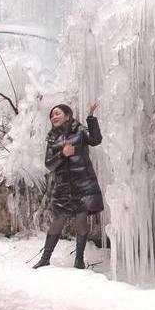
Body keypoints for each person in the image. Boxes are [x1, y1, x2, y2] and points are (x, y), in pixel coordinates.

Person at [33, 102, 103, 270]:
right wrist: (62, 154)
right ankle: (45, 258)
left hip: (83, 183)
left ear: (67, 115)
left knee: (81, 220)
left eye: (57, 113)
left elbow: (95, 140)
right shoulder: (52, 137)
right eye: (52, 115)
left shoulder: (80, 131)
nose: (53, 117)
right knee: (58, 220)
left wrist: (91, 119)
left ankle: (79, 260)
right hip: (63, 186)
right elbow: (49, 164)